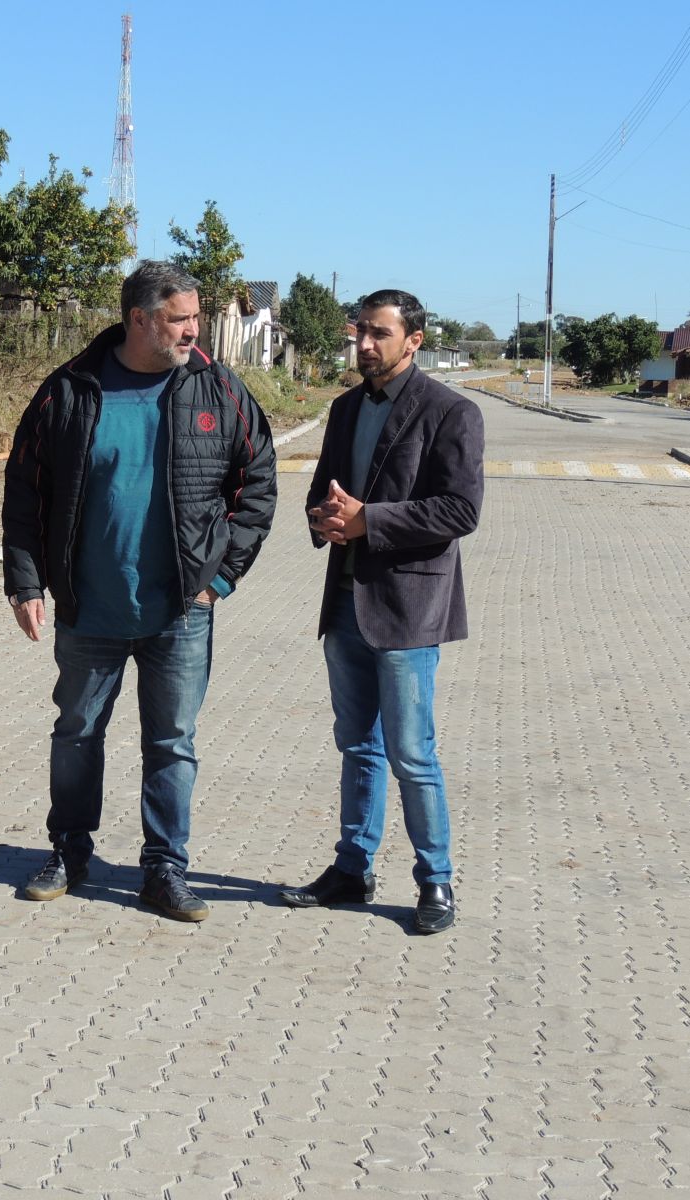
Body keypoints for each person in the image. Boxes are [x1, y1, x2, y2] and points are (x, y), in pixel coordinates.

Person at [2, 260, 277, 921]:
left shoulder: (218, 390)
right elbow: (24, 488)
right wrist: (25, 578)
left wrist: (222, 577)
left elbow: (259, 481)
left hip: (180, 611)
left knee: (172, 743)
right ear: (139, 320)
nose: (194, 330)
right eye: (181, 318)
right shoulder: (70, 390)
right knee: (76, 735)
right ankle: (69, 851)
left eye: (196, 316)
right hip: (90, 607)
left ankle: (164, 869)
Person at [278, 289, 483, 934]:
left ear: (413, 340)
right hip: (344, 603)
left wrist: (371, 522)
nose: (365, 344)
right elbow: (323, 492)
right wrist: (325, 520)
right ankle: (352, 868)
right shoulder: (343, 409)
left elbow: (460, 511)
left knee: (411, 753)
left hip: (407, 607)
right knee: (356, 746)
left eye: (379, 334)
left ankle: (436, 883)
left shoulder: (452, 412)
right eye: (360, 332)